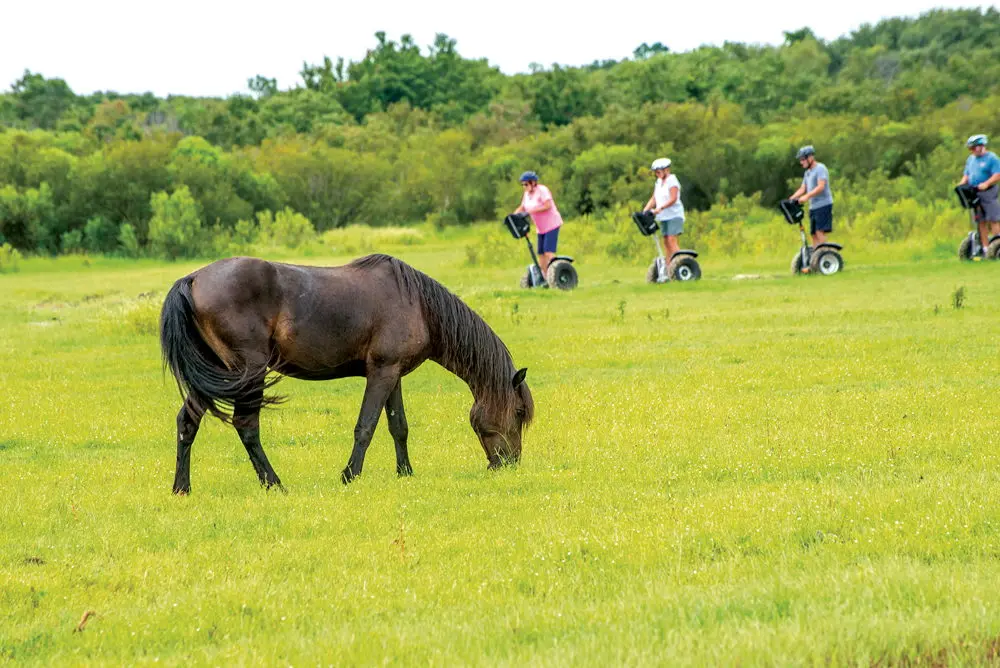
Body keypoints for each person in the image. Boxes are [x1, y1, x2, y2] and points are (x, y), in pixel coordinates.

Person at [957, 134, 1000, 256]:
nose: (971, 150)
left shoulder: (992, 158)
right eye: (970, 148)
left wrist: (986, 183)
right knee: (980, 220)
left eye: (973, 148)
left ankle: (996, 245)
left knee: (993, 219)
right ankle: (985, 249)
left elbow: (997, 174)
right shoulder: (971, 159)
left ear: (981, 146)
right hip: (974, 192)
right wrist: (961, 184)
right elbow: (967, 174)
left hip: (988, 192)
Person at [513, 171, 563, 274]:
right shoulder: (527, 194)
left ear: (533, 183)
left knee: (548, 252)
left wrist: (531, 211)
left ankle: (558, 273)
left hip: (552, 224)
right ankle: (545, 277)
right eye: (523, 185)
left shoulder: (542, 190)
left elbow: (547, 205)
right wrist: (513, 216)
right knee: (541, 253)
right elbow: (523, 207)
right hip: (540, 228)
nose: (524, 187)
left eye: (526, 184)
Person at [788, 146, 833, 247]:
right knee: (813, 234)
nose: (801, 162)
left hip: (823, 204)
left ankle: (825, 253)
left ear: (810, 157)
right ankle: (817, 255)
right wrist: (791, 198)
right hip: (813, 207)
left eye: (803, 159)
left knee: (819, 231)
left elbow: (821, 186)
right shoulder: (807, 173)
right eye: (800, 160)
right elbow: (803, 188)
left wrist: (806, 197)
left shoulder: (820, 168)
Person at [642, 157, 685, 260]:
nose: (657, 174)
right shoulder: (659, 182)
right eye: (656, 172)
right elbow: (654, 198)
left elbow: (673, 199)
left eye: (658, 172)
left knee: (671, 240)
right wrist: (645, 211)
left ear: (666, 170)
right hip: (664, 216)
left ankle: (680, 263)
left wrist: (660, 208)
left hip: (674, 215)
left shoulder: (672, 180)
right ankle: (669, 265)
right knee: (665, 241)